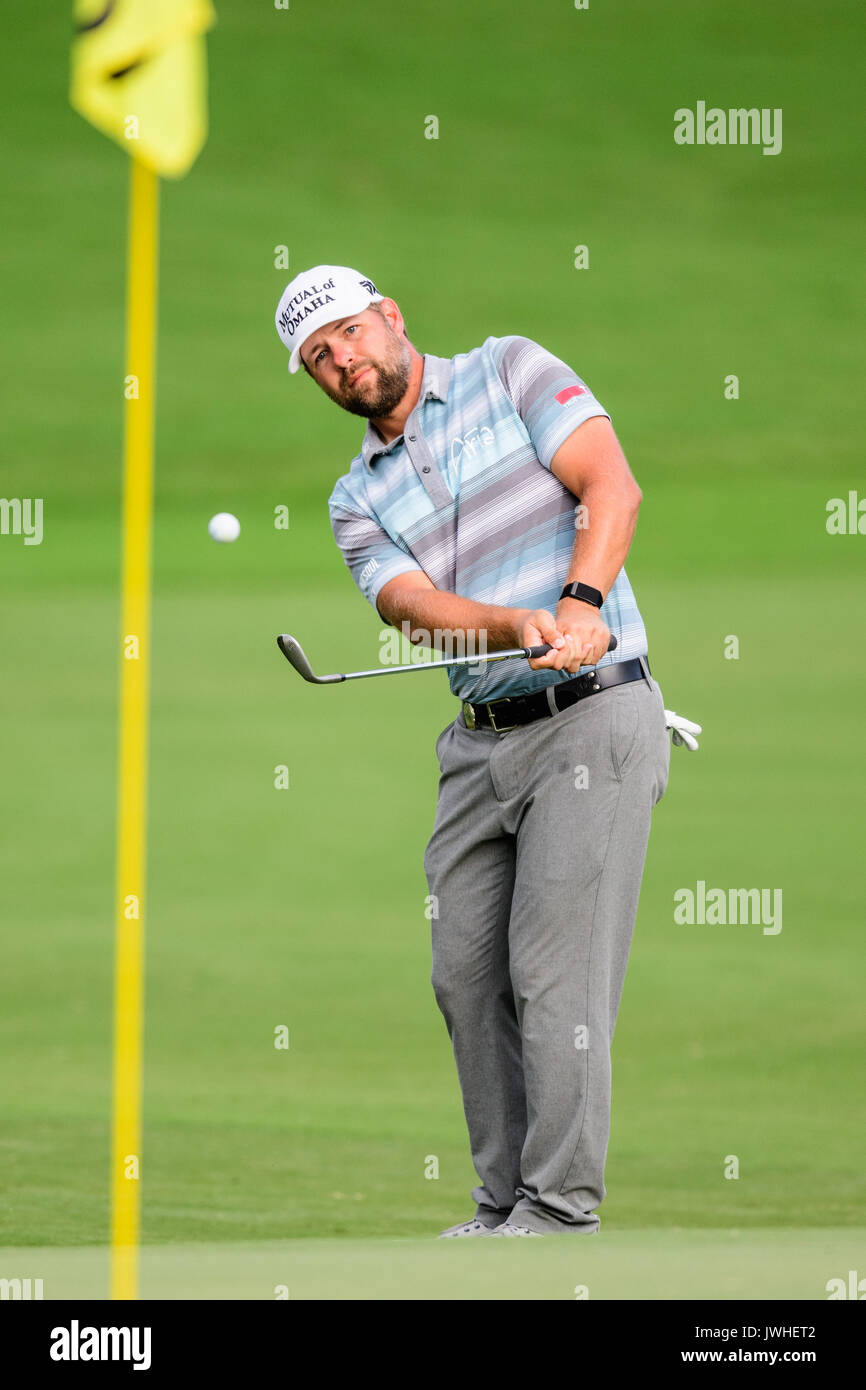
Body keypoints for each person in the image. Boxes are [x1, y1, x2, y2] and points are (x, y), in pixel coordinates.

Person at [275, 264, 684, 1236]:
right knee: (464, 972)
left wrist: (579, 605)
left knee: (554, 974)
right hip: (479, 744)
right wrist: (506, 622)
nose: (340, 361)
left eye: (346, 333)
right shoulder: (353, 496)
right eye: (317, 358)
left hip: (593, 711)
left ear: (390, 317)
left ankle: (555, 1211)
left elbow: (608, 486)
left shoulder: (509, 371)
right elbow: (408, 606)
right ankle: (501, 1203)